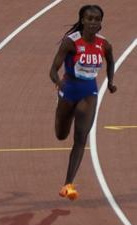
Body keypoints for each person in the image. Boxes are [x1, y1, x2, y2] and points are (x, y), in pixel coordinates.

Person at [49, 4, 116, 201]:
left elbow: (111, 61)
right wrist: (59, 82)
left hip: (89, 92)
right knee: (61, 135)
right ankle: (63, 119)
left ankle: (67, 184)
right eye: (89, 18)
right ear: (82, 20)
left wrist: (110, 81)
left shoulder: (104, 44)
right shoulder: (71, 42)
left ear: (101, 22)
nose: (93, 22)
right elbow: (53, 69)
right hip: (68, 90)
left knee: (81, 137)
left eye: (97, 19)